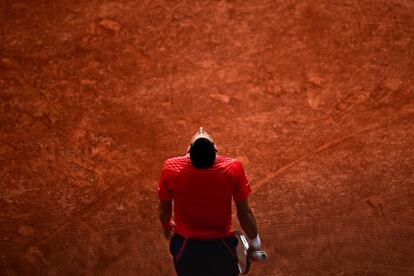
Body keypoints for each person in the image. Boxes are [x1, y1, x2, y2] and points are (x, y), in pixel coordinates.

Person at [158, 127, 262, 276]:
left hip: (186, 248)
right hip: (222, 248)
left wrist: (167, 224)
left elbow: (164, 210)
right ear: (215, 152)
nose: (201, 130)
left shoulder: (171, 168)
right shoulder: (232, 168)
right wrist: (255, 244)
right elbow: (245, 213)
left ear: (189, 152)